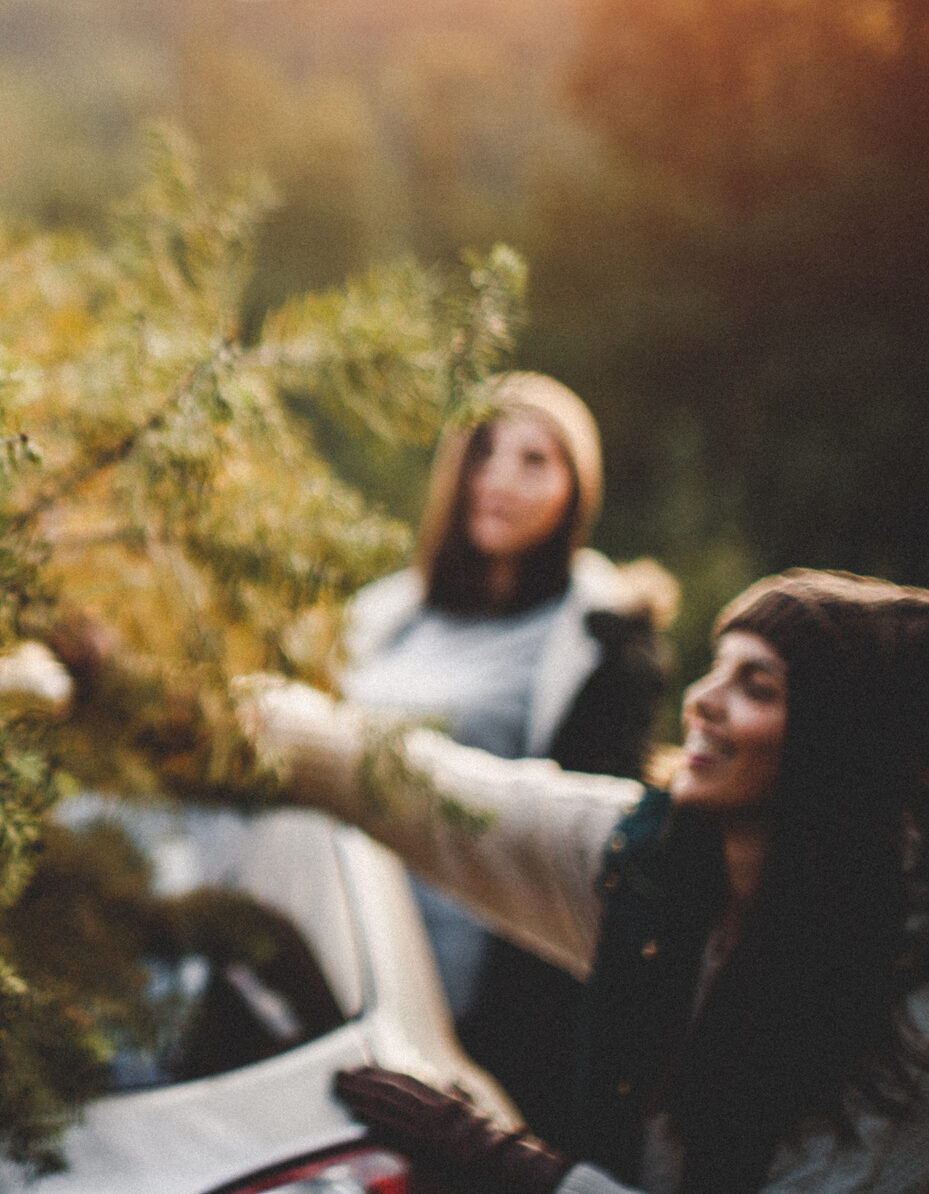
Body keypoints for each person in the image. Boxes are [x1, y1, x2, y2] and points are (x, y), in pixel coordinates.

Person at [245, 569, 929, 1193]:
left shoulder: (902, 994)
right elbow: (444, 800)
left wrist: (509, 1162)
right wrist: (223, 713)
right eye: (716, 668)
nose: (701, 701)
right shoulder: (654, 866)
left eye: (756, 688)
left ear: (838, 746)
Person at [342, 371, 672, 1139]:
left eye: (534, 460)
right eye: (483, 452)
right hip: (353, 950)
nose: (499, 479)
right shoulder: (387, 613)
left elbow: (590, 842)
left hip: (488, 997)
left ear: (575, 486)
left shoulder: (604, 642)